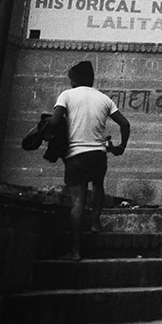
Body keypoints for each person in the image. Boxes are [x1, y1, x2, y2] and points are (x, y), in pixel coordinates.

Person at [48, 61, 130, 261]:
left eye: (71, 78)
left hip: (75, 154)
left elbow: (55, 120)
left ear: (75, 79)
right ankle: (95, 222)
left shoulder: (67, 95)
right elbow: (124, 123)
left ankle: (76, 251)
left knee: (77, 201)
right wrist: (121, 147)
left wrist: (48, 133)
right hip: (98, 154)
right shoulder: (104, 99)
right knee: (98, 185)